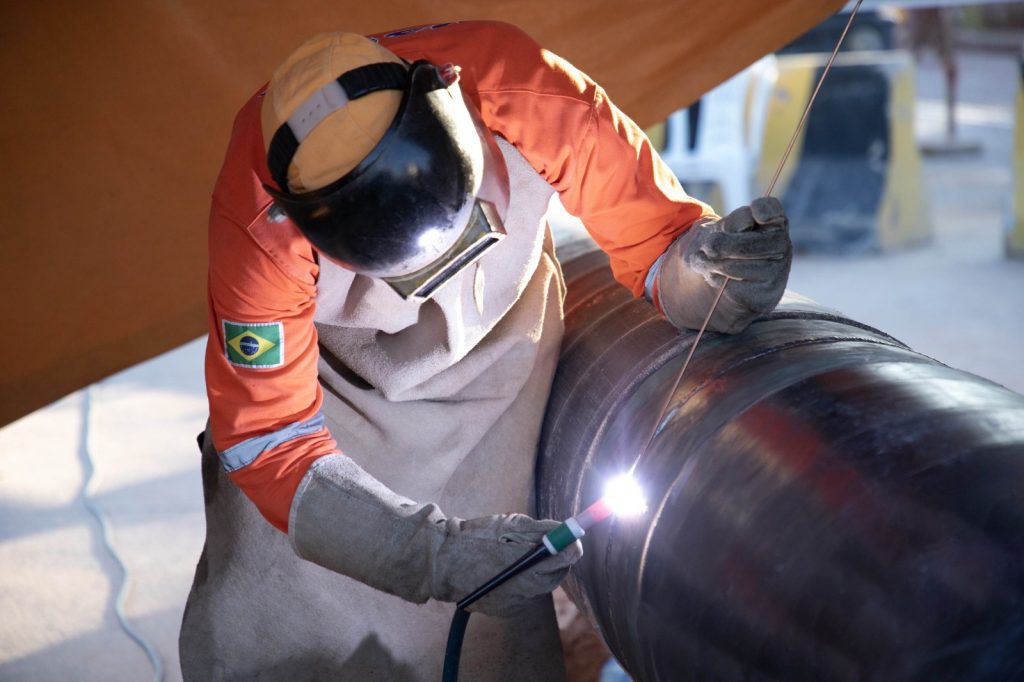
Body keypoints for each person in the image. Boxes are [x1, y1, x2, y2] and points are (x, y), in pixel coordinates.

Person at [179, 20, 791, 681]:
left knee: (490, 640)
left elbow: (661, 242)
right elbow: (268, 439)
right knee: (288, 640)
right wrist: (431, 555)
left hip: (493, 368)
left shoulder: (523, 90)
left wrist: (715, 275)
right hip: (332, 410)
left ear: (450, 103)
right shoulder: (259, 225)